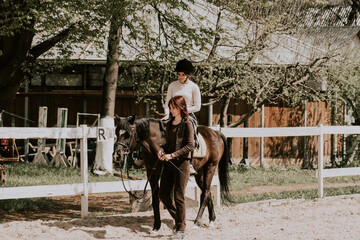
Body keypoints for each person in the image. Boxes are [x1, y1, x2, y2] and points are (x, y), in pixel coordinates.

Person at [155, 95, 194, 239]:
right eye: (170, 107)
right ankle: (179, 221)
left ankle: (181, 230)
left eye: (173, 107)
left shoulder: (187, 123)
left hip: (182, 164)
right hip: (169, 164)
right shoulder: (169, 123)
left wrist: (173, 155)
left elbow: (191, 145)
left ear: (180, 107)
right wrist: (161, 150)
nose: (171, 110)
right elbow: (166, 142)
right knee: (163, 195)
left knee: (179, 196)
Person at [162, 58, 201, 175]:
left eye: (183, 75)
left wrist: (183, 111)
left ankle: (189, 162)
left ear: (188, 75)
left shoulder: (194, 87)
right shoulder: (172, 85)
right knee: (159, 127)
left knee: (191, 129)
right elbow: (167, 102)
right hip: (172, 113)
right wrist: (166, 114)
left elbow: (197, 106)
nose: (180, 77)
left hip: (187, 114)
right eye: (179, 74)